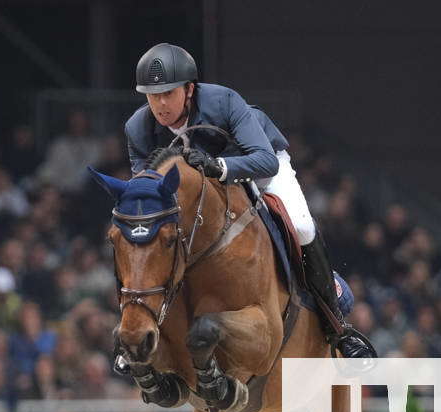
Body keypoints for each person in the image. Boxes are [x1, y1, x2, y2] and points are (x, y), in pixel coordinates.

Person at [124, 43, 374, 358]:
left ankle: (336, 326)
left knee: (301, 226)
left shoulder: (223, 102)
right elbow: (145, 193)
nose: (160, 104)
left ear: (189, 89)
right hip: (200, 192)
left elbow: (265, 161)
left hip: (256, 165)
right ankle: (139, 328)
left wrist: (220, 167)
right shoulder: (138, 128)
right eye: (152, 95)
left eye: (168, 93)